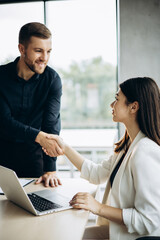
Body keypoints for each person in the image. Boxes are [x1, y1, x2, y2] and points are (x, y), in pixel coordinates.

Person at [43, 77, 160, 240]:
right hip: (115, 232)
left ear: (133, 107)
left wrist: (97, 207)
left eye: (117, 99)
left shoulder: (145, 151)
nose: (112, 105)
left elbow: (149, 220)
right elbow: (96, 174)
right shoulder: (128, 145)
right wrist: (65, 148)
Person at [0, 22, 63, 187]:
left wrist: (50, 168)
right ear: (22, 49)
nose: (45, 57)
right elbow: (4, 122)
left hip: (34, 159)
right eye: (38, 51)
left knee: (36, 207)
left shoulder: (52, 80)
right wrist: (39, 137)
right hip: (1, 157)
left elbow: (51, 124)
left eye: (48, 51)